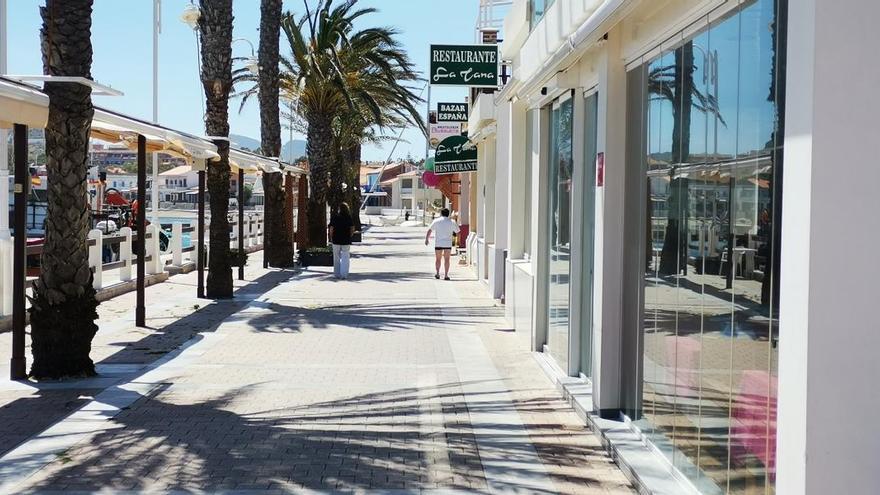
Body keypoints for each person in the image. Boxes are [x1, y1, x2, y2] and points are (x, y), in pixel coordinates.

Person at [425, 207, 459, 280]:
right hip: (447, 244)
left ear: (441, 214)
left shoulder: (436, 221)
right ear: (448, 214)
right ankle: (446, 275)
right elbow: (458, 232)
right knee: (447, 259)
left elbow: (429, 230)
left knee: (438, 259)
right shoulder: (452, 222)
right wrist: (457, 242)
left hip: (438, 243)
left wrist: (426, 239)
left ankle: (437, 274)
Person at [328, 202, 355, 279]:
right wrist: (350, 235)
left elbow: (331, 229)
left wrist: (331, 237)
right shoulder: (349, 217)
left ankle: (336, 274)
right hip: (346, 240)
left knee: (336, 257)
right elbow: (352, 228)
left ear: (339, 209)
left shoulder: (335, 217)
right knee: (345, 257)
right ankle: (344, 274)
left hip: (336, 239)